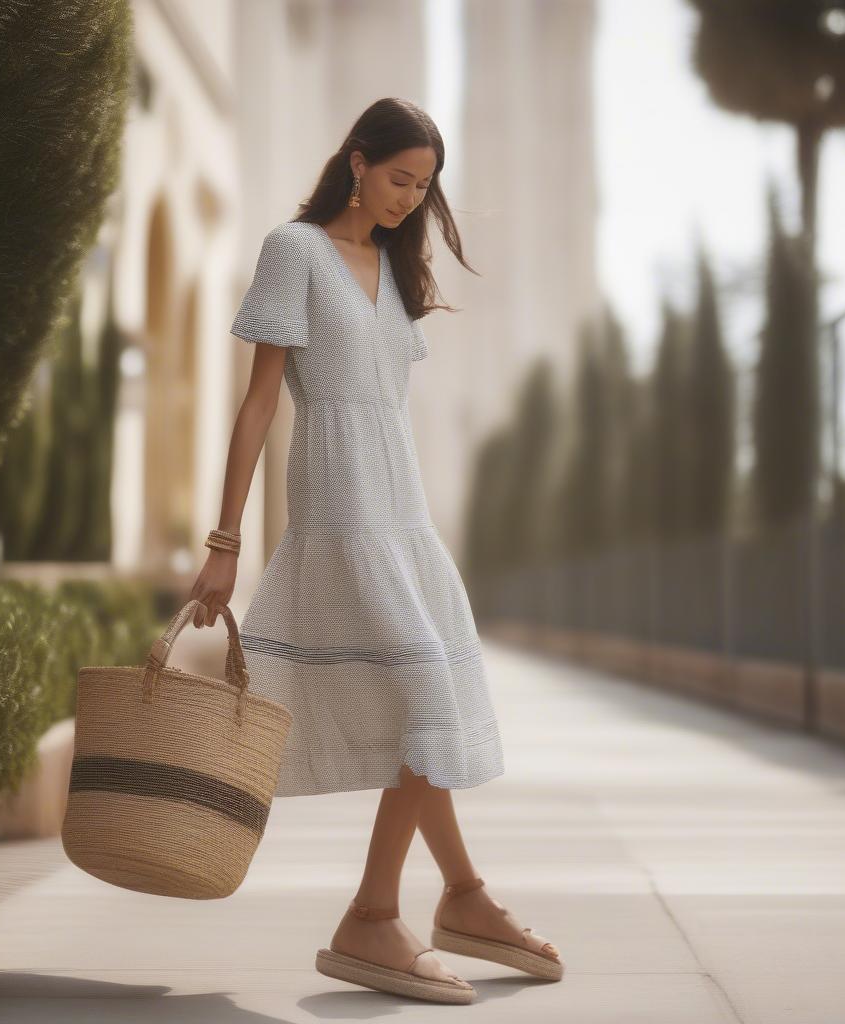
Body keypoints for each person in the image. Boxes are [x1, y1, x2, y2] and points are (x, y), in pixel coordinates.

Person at [189, 97, 563, 1005]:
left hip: (402, 511)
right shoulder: (296, 251)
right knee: (427, 695)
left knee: (422, 710)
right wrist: (226, 539)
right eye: (400, 178)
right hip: (342, 512)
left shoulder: (394, 268)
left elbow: (386, 400)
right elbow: (258, 405)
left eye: (424, 187)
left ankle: (463, 899)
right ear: (356, 162)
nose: (410, 199)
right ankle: (373, 915)